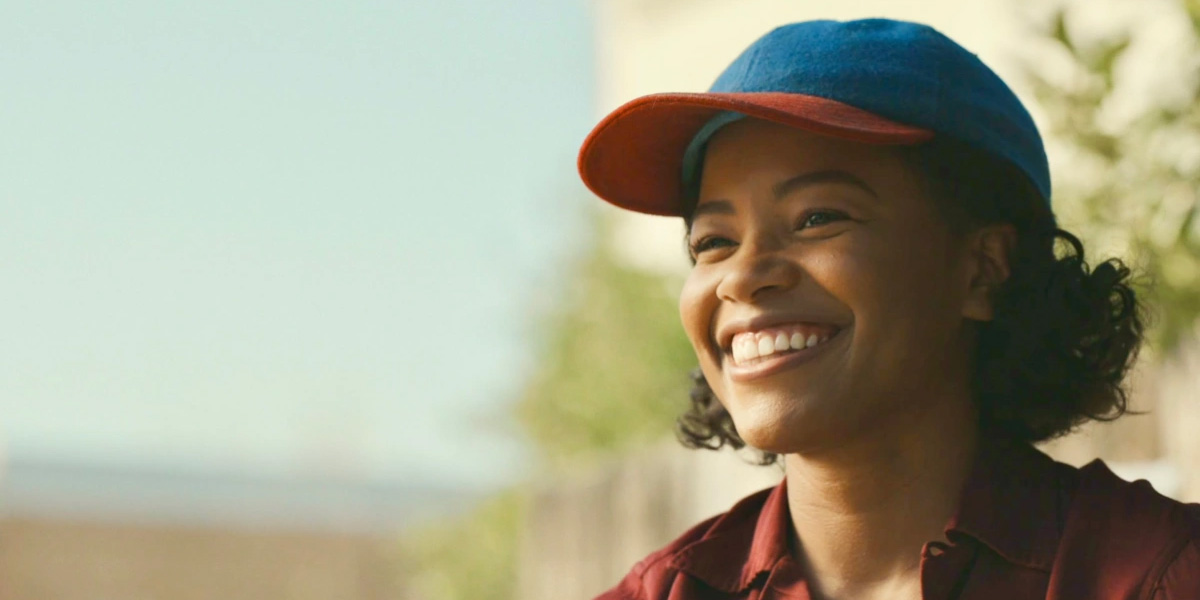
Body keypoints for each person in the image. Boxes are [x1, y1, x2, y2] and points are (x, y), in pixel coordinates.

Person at [575, 18, 1200, 600]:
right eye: (713, 242)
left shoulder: (1158, 573)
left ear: (983, 269)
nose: (741, 276)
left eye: (818, 218)